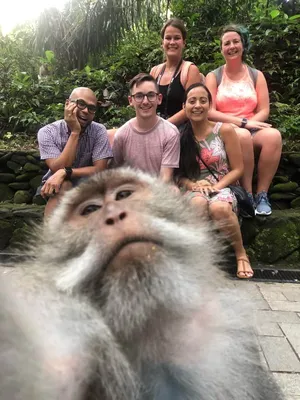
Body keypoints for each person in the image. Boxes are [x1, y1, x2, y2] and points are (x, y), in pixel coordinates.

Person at [177, 82, 253, 279]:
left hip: (223, 186)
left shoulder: (224, 130)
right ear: (184, 106)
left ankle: (240, 253)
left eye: (203, 101)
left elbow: (238, 169)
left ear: (210, 105)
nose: (197, 105)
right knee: (197, 204)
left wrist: (216, 187)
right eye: (192, 101)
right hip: (194, 189)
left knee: (219, 208)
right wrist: (192, 185)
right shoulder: (180, 136)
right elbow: (179, 175)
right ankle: (200, 258)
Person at [206, 24, 282, 216]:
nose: (231, 46)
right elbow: (209, 111)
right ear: (221, 48)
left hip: (252, 125)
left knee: (273, 136)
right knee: (242, 136)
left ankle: (262, 194)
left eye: (235, 41)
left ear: (243, 45)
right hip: (226, 129)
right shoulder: (214, 76)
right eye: (227, 43)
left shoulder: (256, 75)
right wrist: (242, 123)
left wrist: (250, 123)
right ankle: (246, 194)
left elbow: (264, 109)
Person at [37, 87, 113, 216]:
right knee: (64, 185)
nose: (85, 111)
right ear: (68, 104)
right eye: (81, 104)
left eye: (91, 108)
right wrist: (75, 132)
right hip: (55, 184)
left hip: (88, 184)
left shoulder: (99, 131)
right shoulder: (47, 132)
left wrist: (66, 171)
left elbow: (100, 169)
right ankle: (51, 235)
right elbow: (58, 168)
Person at [112, 73, 180, 184]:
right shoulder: (122, 135)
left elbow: (165, 178)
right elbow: (116, 171)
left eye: (151, 95)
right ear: (130, 100)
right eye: (139, 96)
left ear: (159, 99)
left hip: (160, 192)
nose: (145, 101)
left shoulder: (170, 133)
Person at [150, 18, 205, 129]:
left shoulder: (190, 70)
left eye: (177, 38)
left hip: (180, 130)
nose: (172, 42)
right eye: (168, 38)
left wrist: (163, 127)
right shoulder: (154, 72)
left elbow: (191, 107)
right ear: (162, 42)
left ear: (184, 42)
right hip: (154, 127)